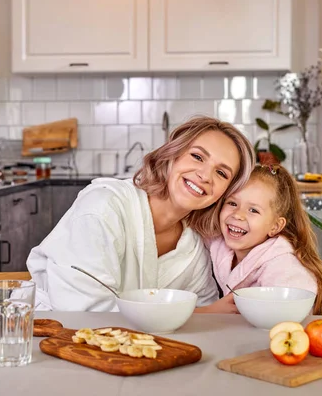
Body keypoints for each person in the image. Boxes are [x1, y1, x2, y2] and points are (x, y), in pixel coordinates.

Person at [26, 116, 255, 311]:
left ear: (226, 192)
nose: (205, 175)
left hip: (132, 355)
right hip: (39, 342)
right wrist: (197, 317)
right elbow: (84, 313)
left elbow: (204, 310)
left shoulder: (194, 247)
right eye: (197, 156)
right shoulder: (104, 207)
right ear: (172, 154)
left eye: (222, 173)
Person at [197, 164, 322, 315]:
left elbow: (292, 312)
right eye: (232, 203)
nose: (238, 214)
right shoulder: (220, 244)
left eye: (253, 210)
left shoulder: (283, 266)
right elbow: (193, 226)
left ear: (275, 226)